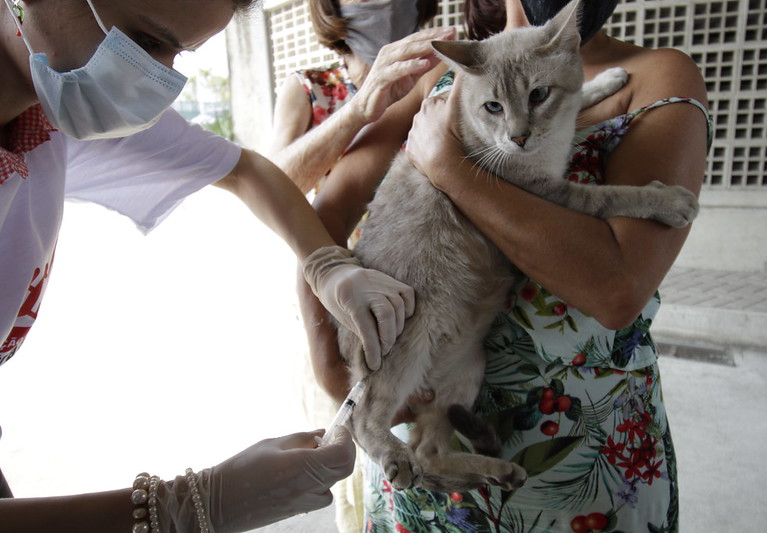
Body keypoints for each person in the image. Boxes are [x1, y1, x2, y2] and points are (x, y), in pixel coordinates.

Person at [0, 0, 450, 531]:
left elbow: (248, 171)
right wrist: (188, 507)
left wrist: (330, 266)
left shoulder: (48, 111)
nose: (159, 77)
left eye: (179, 53)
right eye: (145, 41)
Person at [299, 0, 713, 530]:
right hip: (424, 372)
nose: (516, 131)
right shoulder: (451, 70)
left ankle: (449, 451)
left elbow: (618, 292)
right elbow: (316, 207)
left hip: (585, 449)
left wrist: (448, 166)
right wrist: (329, 366)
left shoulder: (660, 74)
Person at [268, 0, 441, 193]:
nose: (388, 4)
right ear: (330, 6)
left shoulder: (443, 82)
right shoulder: (310, 89)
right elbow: (270, 191)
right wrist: (356, 112)